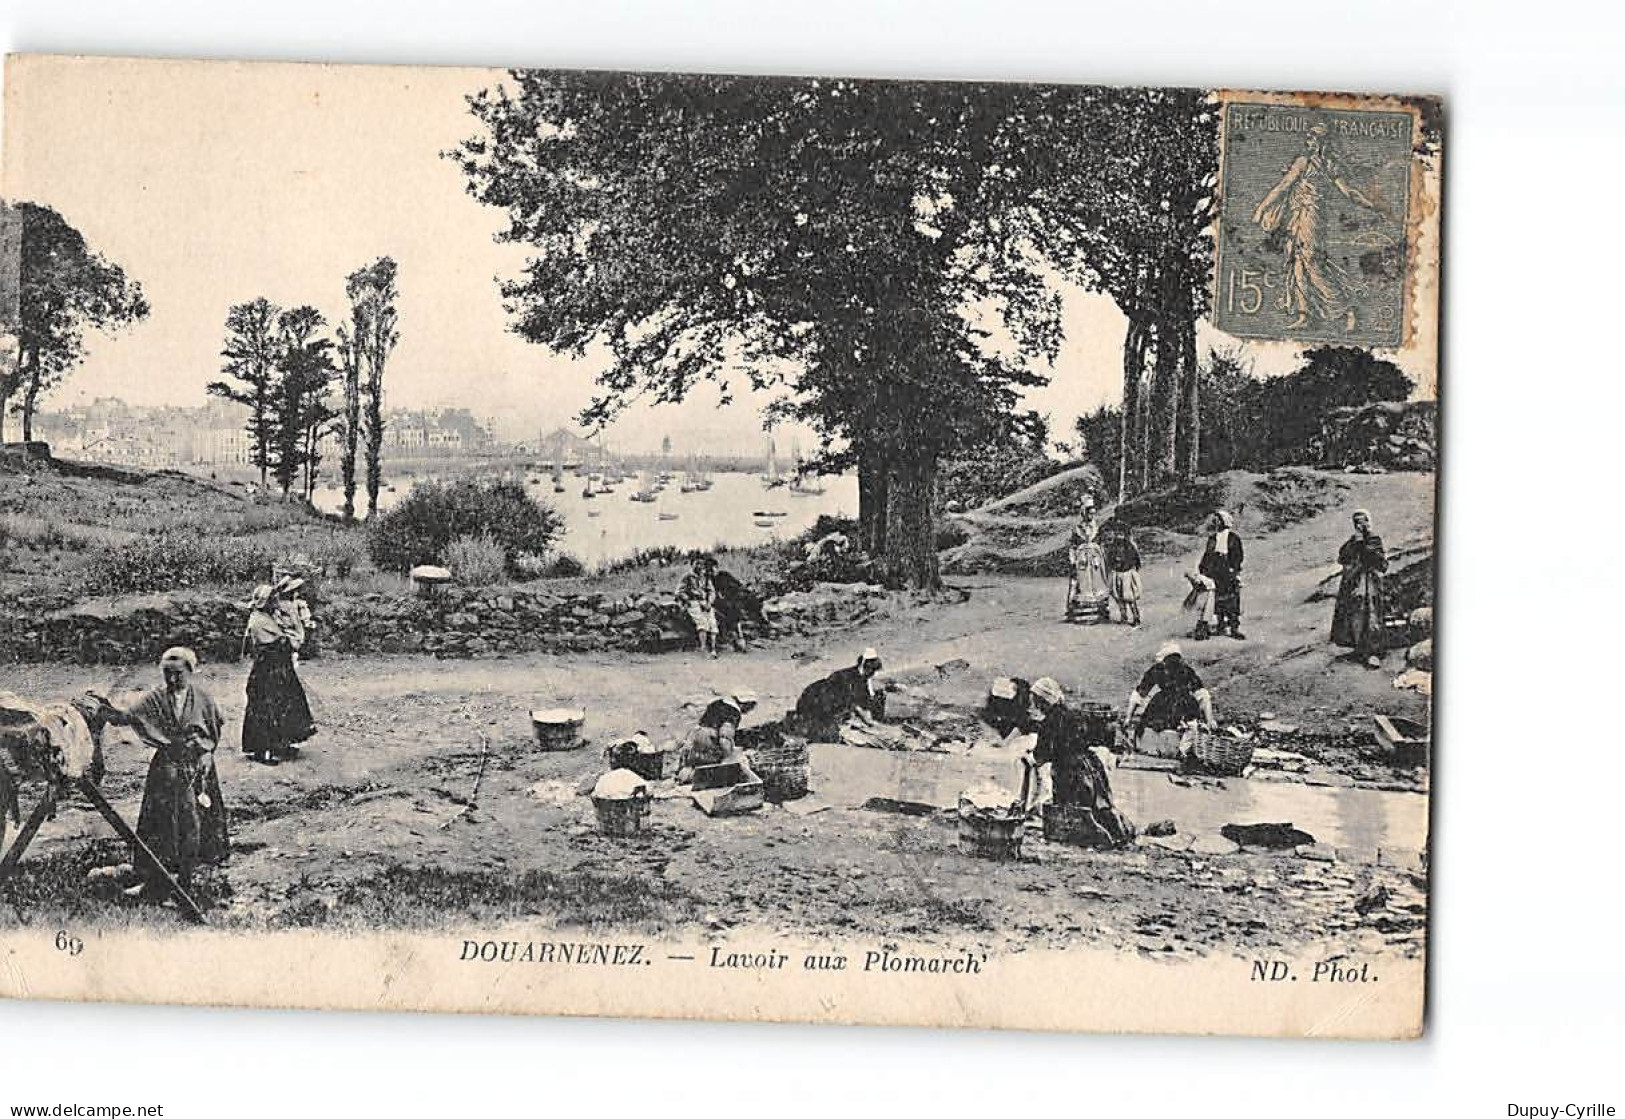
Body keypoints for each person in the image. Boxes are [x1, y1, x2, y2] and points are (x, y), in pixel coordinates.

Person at [89, 648, 229, 902]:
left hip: (197, 765)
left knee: (195, 821)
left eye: (177, 674)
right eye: (167, 674)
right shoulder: (155, 697)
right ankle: (158, 875)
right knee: (161, 820)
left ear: (189, 671)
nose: (172, 680)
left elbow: (215, 725)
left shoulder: (203, 698)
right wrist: (103, 708)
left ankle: (189, 877)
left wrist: (208, 753)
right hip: (166, 767)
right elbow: (128, 716)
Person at [1251, 122, 1392, 332]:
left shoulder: (1316, 164)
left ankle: (1345, 308)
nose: (1309, 142)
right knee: (1296, 263)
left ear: (1320, 142)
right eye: (1309, 138)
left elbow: (1285, 187)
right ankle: (1304, 313)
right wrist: (1372, 205)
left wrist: (1261, 209)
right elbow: (1347, 193)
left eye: (1313, 138)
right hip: (1299, 217)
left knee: (1310, 262)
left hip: (1310, 217)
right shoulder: (1317, 164)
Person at [1019, 677, 1133, 846]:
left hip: (1069, 770)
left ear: (1043, 700)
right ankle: (1117, 831)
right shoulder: (1073, 714)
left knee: (1070, 805)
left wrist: (1029, 758)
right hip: (1090, 765)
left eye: (1036, 700)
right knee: (1097, 803)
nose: (1035, 705)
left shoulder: (1049, 722)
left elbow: (1041, 755)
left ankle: (1089, 835)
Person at [241, 578, 317, 766]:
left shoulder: (268, 617)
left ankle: (281, 743)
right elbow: (274, 645)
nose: (276, 602)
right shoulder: (259, 621)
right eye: (272, 600)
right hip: (267, 670)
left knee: (286, 703)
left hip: (278, 668)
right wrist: (287, 642)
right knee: (267, 707)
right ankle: (262, 750)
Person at [1123, 642, 1217, 747]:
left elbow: (1139, 694)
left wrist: (1128, 717)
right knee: (1187, 727)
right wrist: (1210, 720)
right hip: (1183, 705)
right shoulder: (1186, 670)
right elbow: (1202, 695)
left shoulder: (1158, 669)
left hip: (1166, 704)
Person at [1331, 508, 1389, 669]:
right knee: (1355, 615)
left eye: (1363, 520)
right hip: (1355, 582)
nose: (1360, 524)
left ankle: (1373, 652)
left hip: (1370, 582)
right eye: (1357, 521)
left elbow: (1380, 562)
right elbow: (1342, 557)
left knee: (1371, 614)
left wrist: (1364, 545)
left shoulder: (1374, 539)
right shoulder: (1352, 541)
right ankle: (1359, 648)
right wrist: (1355, 543)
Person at [793, 648, 886, 739]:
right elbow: (853, 704)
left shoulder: (862, 677)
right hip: (816, 704)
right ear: (866, 667)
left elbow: (863, 701)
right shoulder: (846, 677)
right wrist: (868, 722)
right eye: (872, 671)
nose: (873, 674)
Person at [1193, 510, 1245, 640]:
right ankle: (1221, 625)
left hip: (1228, 570)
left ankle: (1234, 628)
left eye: (1218, 519)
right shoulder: (1212, 538)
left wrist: (1234, 569)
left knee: (1232, 599)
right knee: (1217, 599)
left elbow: (1238, 555)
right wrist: (1203, 569)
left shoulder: (1233, 538)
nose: (1216, 522)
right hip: (1215, 571)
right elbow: (1207, 555)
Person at [679, 690, 759, 775]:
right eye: (751, 706)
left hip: (696, 739)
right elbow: (725, 737)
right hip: (709, 741)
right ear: (745, 703)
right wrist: (729, 759)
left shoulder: (716, 704)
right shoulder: (732, 712)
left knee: (695, 768)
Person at [1066, 497, 1111, 620]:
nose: (1091, 516)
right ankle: (1080, 613)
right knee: (1081, 582)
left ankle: (1100, 611)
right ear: (1084, 513)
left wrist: (1102, 556)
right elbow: (1072, 545)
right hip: (1082, 559)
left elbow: (1101, 543)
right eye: (1089, 513)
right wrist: (1073, 560)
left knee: (1097, 582)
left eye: (1093, 514)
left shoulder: (1097, 527)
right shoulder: (1077, 528)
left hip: (1095, 558)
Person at [712, 568, 764, 653]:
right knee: (731, 618)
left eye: (713, 568)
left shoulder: (723, 575)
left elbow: (737, 585)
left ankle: (739, 639)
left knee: (735, 615)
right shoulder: (709, 580)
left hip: (730, 604)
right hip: (719, 606)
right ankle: (735, 640)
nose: (711, 571)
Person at [677, 556, 720, 658]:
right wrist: (687, 599)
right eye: (697, 564)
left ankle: (713, 649)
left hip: (705, 602)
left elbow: (711, 591)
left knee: (712, 623)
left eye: (701, 564)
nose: (699, 566)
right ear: (692, 565)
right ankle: (703, 649)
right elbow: (679, 592)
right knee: (702, 623)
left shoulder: (704, 577)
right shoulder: (687, 577)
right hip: (693, 602)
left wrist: (709, 602)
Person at [1104, 523, 1143, 626]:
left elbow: (1136, 558)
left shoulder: (1129, 546)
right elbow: (1109, 560)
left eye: (1121, 534)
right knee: (1119, 598)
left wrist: (1134, 569)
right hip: (1117, 574)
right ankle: (1124, 616)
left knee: (1130, 598)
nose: (1119, 536)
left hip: (1127, 573)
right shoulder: (1112, 547)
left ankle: (1136, 617)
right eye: (1117, 534)